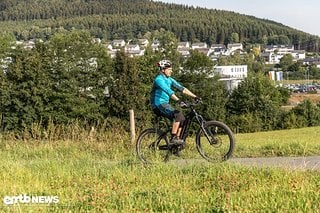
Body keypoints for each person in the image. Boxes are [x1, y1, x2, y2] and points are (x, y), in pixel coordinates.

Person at [150, 60, 198, 145]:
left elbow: (181, 88)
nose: (171, 71)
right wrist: (179, 101)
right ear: (163, 70)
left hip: (165, 104)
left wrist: (195, 96)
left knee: (182, 118)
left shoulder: (169, 79)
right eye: (169, 69)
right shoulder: (159, 80)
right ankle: (173, 138)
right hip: (158, 105)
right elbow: (168, 91)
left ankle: (177, 142)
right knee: (178, 115)